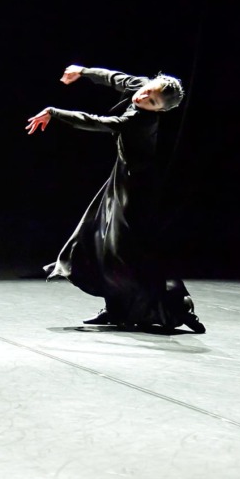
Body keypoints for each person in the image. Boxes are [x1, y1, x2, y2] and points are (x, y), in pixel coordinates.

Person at [26, 65, 205, 333]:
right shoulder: (140, 86)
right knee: (100, 240)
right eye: (146, 92)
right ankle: (117, 308)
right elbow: (112, 78)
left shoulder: (139, 123)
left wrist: (54, 112)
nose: (143, 98)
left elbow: (97, 122)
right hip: (120, 179)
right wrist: (83, 71)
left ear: (160, 110)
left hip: (137, 189)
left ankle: (177, 306)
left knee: (126, 253)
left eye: (152, 101)